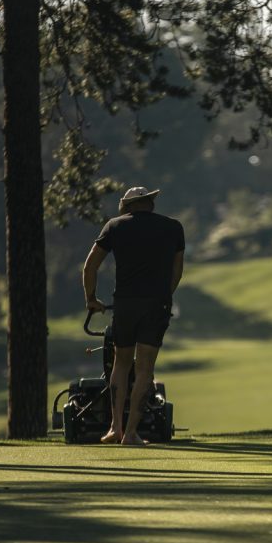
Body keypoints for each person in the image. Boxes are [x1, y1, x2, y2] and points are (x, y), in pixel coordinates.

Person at [82, 186, 184, 446]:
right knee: (145, 368)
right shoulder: (173, 227)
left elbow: (90, 265)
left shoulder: (114, 226)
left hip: (125, 303)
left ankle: (115, 428)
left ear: (127, 205)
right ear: (150, 202)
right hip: (155, 304)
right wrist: (164, 295)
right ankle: (130, 434)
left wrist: (91, 299)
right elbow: (177, 270)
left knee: (121, 363)